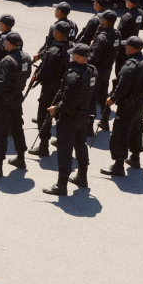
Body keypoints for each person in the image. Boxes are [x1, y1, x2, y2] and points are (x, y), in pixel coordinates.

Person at [42, 43, 97, 195]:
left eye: (74, 55)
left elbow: (67, 101)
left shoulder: (73, 76)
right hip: (83, 115)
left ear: (79, 57)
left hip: (70, 117)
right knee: (81, 145)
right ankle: (82, 176)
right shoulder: (92, 72)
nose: (71, 56)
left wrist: (56, 108)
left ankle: (61, 185)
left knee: (65, 151)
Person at [101, 36, 143, 175]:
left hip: (128, 105)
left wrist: (112, 99)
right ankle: (135, 158)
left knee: (121, 132)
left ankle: (118, 165)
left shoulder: (130, 65)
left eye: (126, 46)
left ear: (131, 49)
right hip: (141, 102)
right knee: (137, 129)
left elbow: (122, 88)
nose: (125, 48)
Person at [0, 32, 32, 177]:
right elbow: (26, 75)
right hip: (17, 98)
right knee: (17, 128)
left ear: (9, 44)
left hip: (4, 101)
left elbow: (3, 82)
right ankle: (21, 158)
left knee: (0, 133)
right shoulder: (26, 57)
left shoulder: (7, 61)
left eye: (6, 42)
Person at [28, 21, 71, 158]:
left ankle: (44, 146)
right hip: (65, 88)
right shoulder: (72, 48)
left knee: (44, 116)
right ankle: (63, 142)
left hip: (51, 89)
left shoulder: (53, 51)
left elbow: (45, 72)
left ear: (58, 33)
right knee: (62, 116)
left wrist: (36, 77)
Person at [87, 10, 120, 135]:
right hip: (107, 69)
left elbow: (94, 58)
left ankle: (89, 126)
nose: (100, 21)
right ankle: (105, 120)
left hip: (97, 70)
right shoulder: (117, 34)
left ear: (105, 21)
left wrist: (90, 49)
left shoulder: (101, 37)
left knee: (91, 97)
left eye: (102, 19)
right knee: (103, 96)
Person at [115, 0, 143, 76]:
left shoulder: (127, 16)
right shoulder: (141, 13)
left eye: (126, 1)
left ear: (130, 3)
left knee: (120, 67)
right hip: (135, 42)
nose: (125, 2)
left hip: (124, 45)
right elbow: (142, 27)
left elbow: (118, 32)